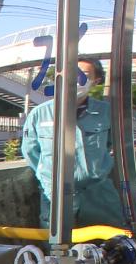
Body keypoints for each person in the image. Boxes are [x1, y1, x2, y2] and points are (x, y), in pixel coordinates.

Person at [20, 58, 127, 233]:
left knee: (108, 249)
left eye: (84, 76)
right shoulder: (40, 114)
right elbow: (31, 152)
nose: (76, 80)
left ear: (96, 81)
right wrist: (49, 178)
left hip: (99, 195)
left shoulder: (106, 112)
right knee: (59, 252)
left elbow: (110, 145)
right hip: (56, 196)